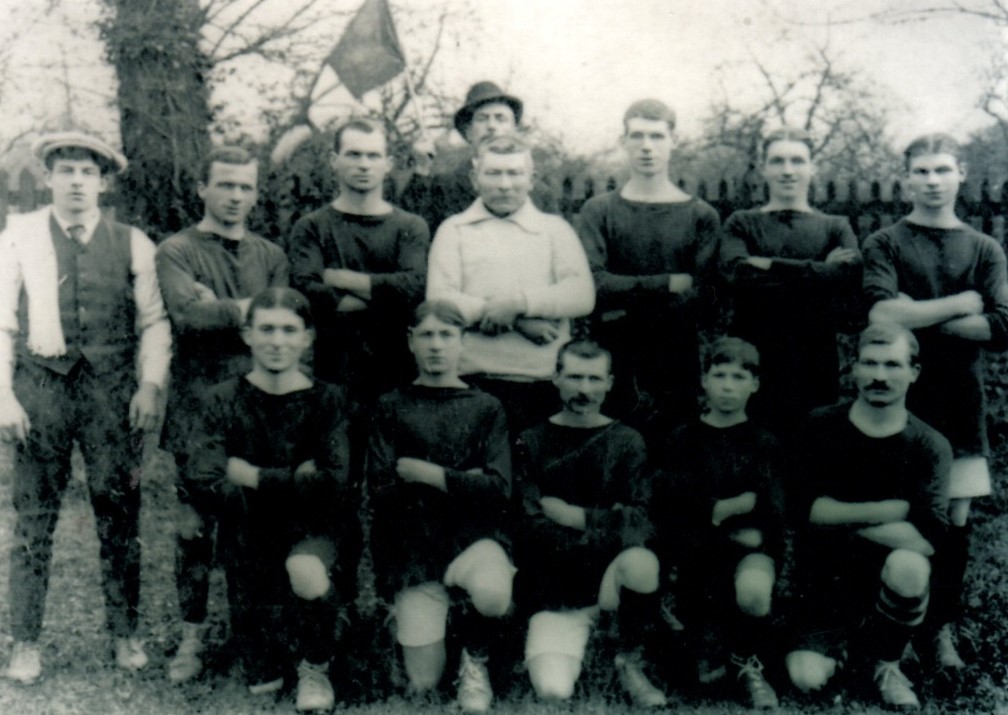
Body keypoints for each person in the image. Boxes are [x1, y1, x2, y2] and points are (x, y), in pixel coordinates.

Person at [0, 131, 171, 682]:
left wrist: (149, 386)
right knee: (33, 520)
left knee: (120, 515)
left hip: (109, 394)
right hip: (42, 390)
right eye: (66, 170)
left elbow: (153, 322)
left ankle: (125, 634)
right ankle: (25, 641)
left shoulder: (133, 242)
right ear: (48, 178)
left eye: (87, 172)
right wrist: (4, 397)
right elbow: (2, 323)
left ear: (103, 182)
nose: (76, 181)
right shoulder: (18, 239)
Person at [862, 133, 1008, 670]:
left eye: (941, 170)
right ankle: (886, 629)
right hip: (896, 401)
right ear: (906, 178)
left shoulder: (984, 248)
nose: (931, 181)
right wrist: (958, 305)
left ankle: (938, 630)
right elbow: (879, 314)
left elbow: (1001, 325)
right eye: (920, 171)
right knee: (894, 509)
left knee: (953, 520)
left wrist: (915, 313)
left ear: (960, 174)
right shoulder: (886, 242)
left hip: (960, 404)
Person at [187, 287, 359, 711]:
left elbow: (334, 484)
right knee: (262, 681)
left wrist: (253, 476)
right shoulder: (220, 399)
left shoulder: (330, 400)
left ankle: (316, 666)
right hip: (247, 534)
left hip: (315, 531)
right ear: (246, 334)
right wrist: (294, 479)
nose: (277, 341)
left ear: (308, 337)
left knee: (305, 570)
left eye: (289, 330)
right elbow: (205, 480)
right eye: (266, 329)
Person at [155, 145, 288, 682]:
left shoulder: (270, 254)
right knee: (194, 529)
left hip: (258, 408)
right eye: (226, 185)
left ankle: (249, 638)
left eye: (245, 187)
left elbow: (285, 323)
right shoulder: (176, 250)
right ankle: (190, 638)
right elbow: (188, 317)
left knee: (252, 529)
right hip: (197, 412)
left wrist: (226, 309)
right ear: (202, 189)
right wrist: (250, 309)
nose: (236, 196)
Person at [785, 323, 950, 709]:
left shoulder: (930, 445)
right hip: (825, 583)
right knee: (805, 678)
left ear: (914, 372)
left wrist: (837, 516)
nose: (879, 376)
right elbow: (801, 512)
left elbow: (927, 538)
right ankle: (844, 649)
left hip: (889, 581)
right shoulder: (818, 427)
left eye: (893, 365)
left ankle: (887, 661)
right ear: (853, 368)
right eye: (869, 364)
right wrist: (892, 510)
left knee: (909, 564)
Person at [365, 300, 513, 713]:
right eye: (426, 335)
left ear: (462, 342)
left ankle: (476, 660)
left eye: (446, 335)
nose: (436, 346)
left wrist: (427, 474)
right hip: (414, 545)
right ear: (410, 341)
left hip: (473, 538)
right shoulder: (390, 406)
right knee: (425, 682)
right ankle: (411, 625)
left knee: (492, 591)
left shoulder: (487, 408)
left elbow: (499, 489)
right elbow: (381, 489)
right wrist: (467, 479)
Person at [513, 339, 666, 708]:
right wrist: (606, 525)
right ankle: (576, 644)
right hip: (556, 593)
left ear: (610, 382)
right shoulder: (530, 441)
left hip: (611, 582)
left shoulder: (628, 442)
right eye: (575, 377)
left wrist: (574, 517)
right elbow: (529, 526)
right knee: (552, 690)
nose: (584, 389)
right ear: (556, 378)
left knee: (643, 563)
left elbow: (641, 523)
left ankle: (627, 658)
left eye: (595, 379)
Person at [426, 134, 594, 434]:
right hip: (472, 380)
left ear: (532, 179)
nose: (504, 184)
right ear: (474, 178)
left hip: (543, 383)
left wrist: (518, 303)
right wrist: (518, 321)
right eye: (493, 173)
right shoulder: (454, 230)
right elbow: (440, 300)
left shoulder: (554, 230)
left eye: (514, 173)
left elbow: (581, 295)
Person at [576, 99, 720, 445]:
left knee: (672, 465)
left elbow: (702, 299)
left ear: (673, 141)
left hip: (675, 360)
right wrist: (666, 283)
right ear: (623, 140)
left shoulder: (700, 215)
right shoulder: (599, 211)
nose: (646, 146)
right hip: (610, 359)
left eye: (656, 136)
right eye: (637, 135)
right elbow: (592, 286)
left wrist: (623, 303)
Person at [651, 337, 783, 709]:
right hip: (695, 557)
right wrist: (727, 506)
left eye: (739, 376)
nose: (727, 385)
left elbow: (768, 518)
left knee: (754, 589)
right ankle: (692, 663)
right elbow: (670, 504)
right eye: (719, 374)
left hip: (746, 557)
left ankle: (748, 666)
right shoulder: (681, 439)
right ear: (704, 381)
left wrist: (709, 514)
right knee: (693, 658)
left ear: (754, 384)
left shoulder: (764, 443)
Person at [720, 127, 861, 431]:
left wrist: (770, 264)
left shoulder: (835, 226)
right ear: (764, 169)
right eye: (778, 161)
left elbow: (847, 276)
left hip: (814, 361)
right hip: (750, 359)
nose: (787, 170)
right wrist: (819, 271)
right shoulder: (742, 222)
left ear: (812, 168)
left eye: (797, 161)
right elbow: (737, 275)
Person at [288, 117, 430, 404]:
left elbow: (413, 287)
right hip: (332, 378)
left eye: (373, 155)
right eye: (353, 154)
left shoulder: (410, 226)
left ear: (387, 163)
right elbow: (308, 292)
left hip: (398, 377)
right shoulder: (311, 226)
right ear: (334, 160)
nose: (364, 164)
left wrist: (339, 279)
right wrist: (386, 298)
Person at [399, 81, 559, 233]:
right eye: (482, 119)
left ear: (513, 130)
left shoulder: (539, 193)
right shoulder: (444, 187)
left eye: (500, 118)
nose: (491, 126)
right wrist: (422, 169)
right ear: (468, 132)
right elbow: (415, 234)